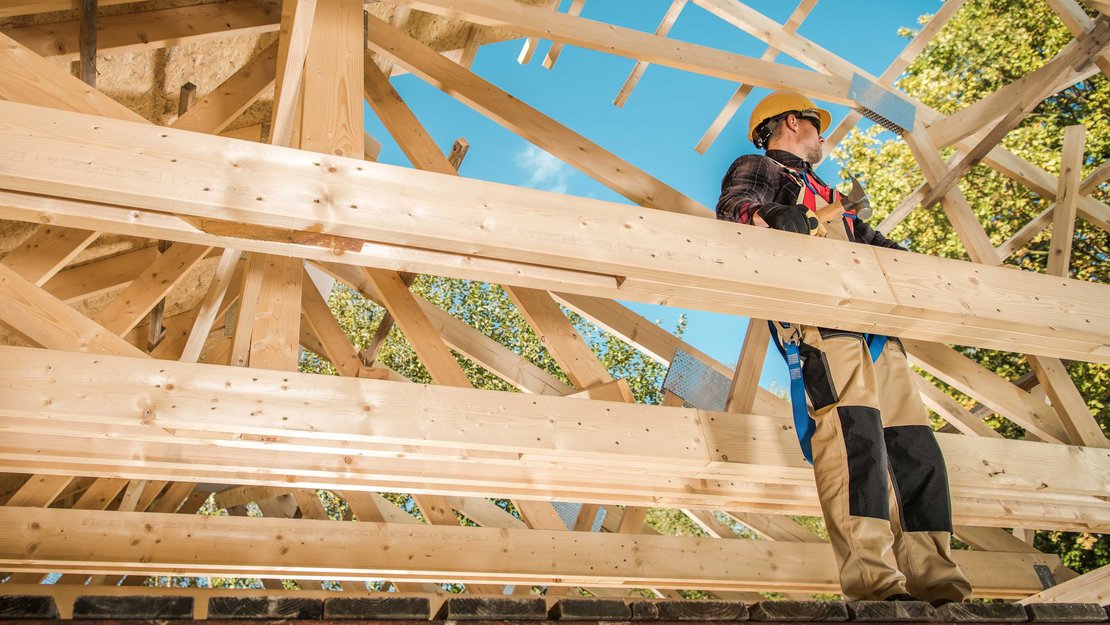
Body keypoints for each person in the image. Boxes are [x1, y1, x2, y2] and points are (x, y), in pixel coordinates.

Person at [716, 90, 972, 605]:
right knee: (854, 439)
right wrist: (772, 218)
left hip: (877, 331)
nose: (823, 137)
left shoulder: (830, 194)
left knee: (913, 448)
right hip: (822, 324)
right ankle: (875, 584)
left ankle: (937, 582)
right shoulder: (764, 167)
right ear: (793, 122)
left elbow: (881, 248)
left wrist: (925, 272)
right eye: (817, 126)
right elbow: (734, 208)